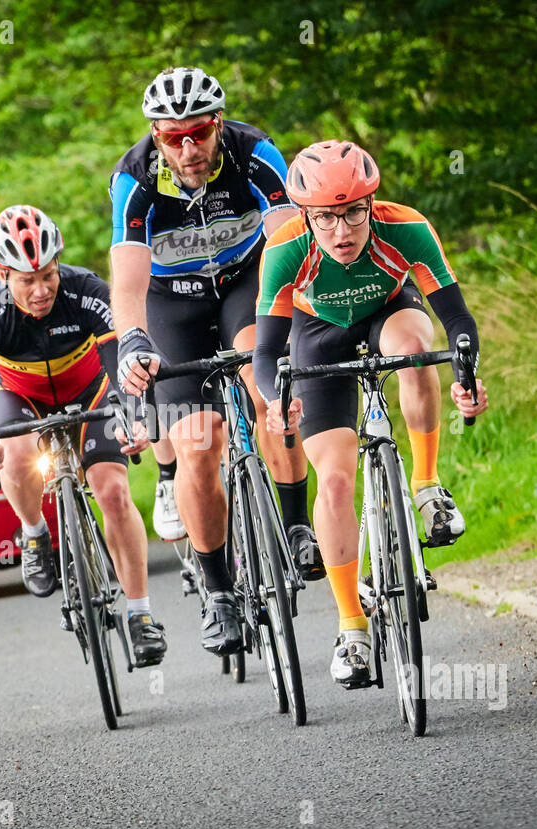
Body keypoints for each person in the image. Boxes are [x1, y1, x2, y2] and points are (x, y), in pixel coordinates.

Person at [252, 140, 490, 688]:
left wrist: (466, 376)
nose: (342, 231)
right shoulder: (286, 249)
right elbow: (267, 352)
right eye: (326, 218)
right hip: (315, 335)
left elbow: (455, 318)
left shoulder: (407, 228)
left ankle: (428, 487)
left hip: (389, 310)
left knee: (413, 349)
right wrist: (277, 399)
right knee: (334, 483)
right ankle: (352, 627)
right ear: (306, 215)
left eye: (354, 213)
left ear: (372, 205)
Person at [110, 66, 321, 658]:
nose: (187, 148)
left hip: (245, 285)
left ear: (217, 125)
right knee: (199, 445)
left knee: (266, 387)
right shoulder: (134, 179)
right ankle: (221, 593)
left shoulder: (255, 154)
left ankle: (297, 523)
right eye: (172, 136)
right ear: (156, 134)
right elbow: (126, 283)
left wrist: (287, 327)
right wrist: (132, 339)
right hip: (170, 302)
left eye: (198, 133)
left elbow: (289, 239)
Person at [0, 205, 168, 667]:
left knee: (112, 491)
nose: (40, 290)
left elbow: (122, 366)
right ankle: (35, 535)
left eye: (48, 275)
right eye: (26, 280)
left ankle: (140, 614)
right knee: (12, 457)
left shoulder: (87, 291)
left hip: (92, 391)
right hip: (21, 398)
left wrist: (136, 418)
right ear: (2, 273)